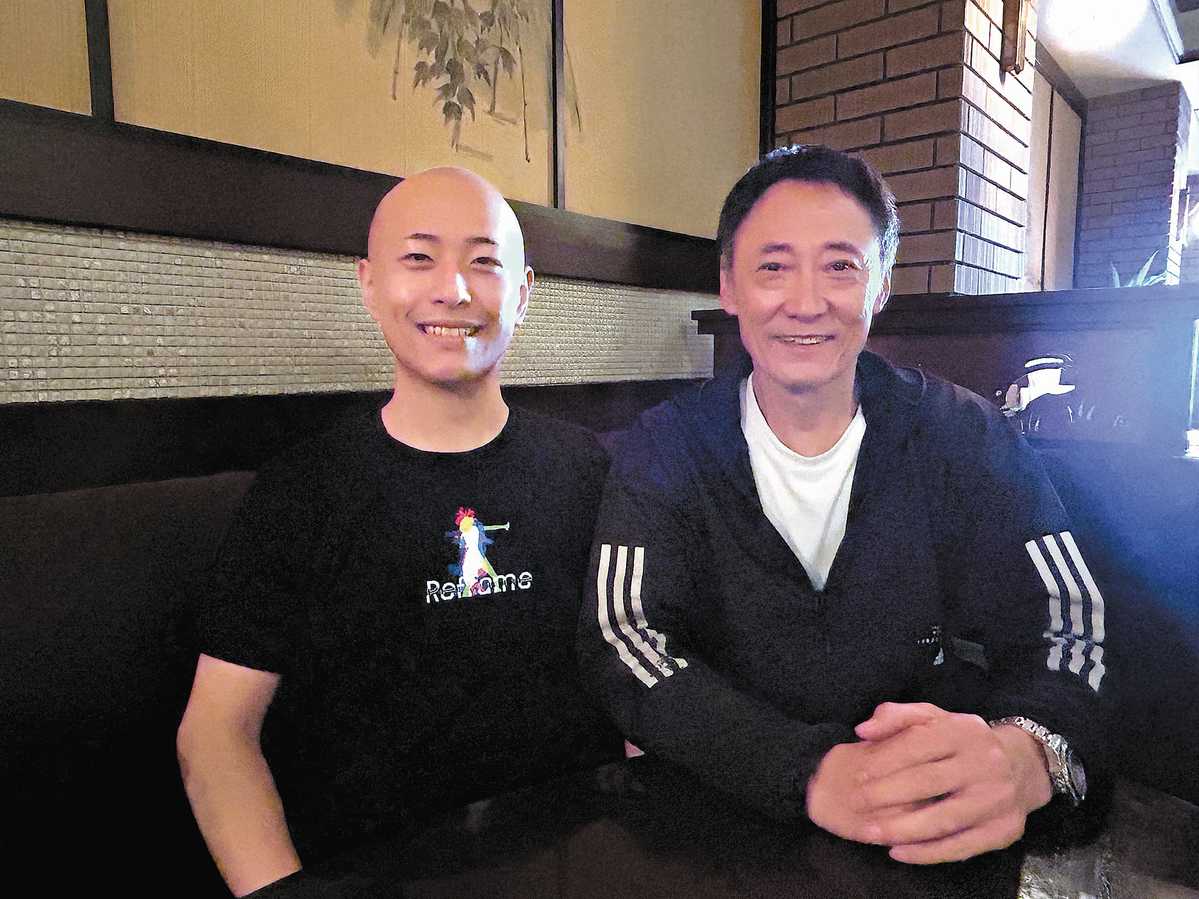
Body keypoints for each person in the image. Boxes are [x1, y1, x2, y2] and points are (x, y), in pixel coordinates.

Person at [579, 145, 1106, 866]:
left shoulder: (961, 435)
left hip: (929, 825)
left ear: (880, 285)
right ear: (728, 286)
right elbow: (624, 636)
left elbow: (1068, 623)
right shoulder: (665, 447)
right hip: (722, 825)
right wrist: (808, 770)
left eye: (840, 267)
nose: (805, 302)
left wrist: (1028, 751)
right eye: (773, 267)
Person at [177, 167, 616, 895]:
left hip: (572, 862)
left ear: (523, 293)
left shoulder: (588, 471)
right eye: (419, 257)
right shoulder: (302, 490)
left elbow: (638, 674)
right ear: (369, 283)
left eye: (484, 262)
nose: (454, 289)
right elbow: (216, 734)